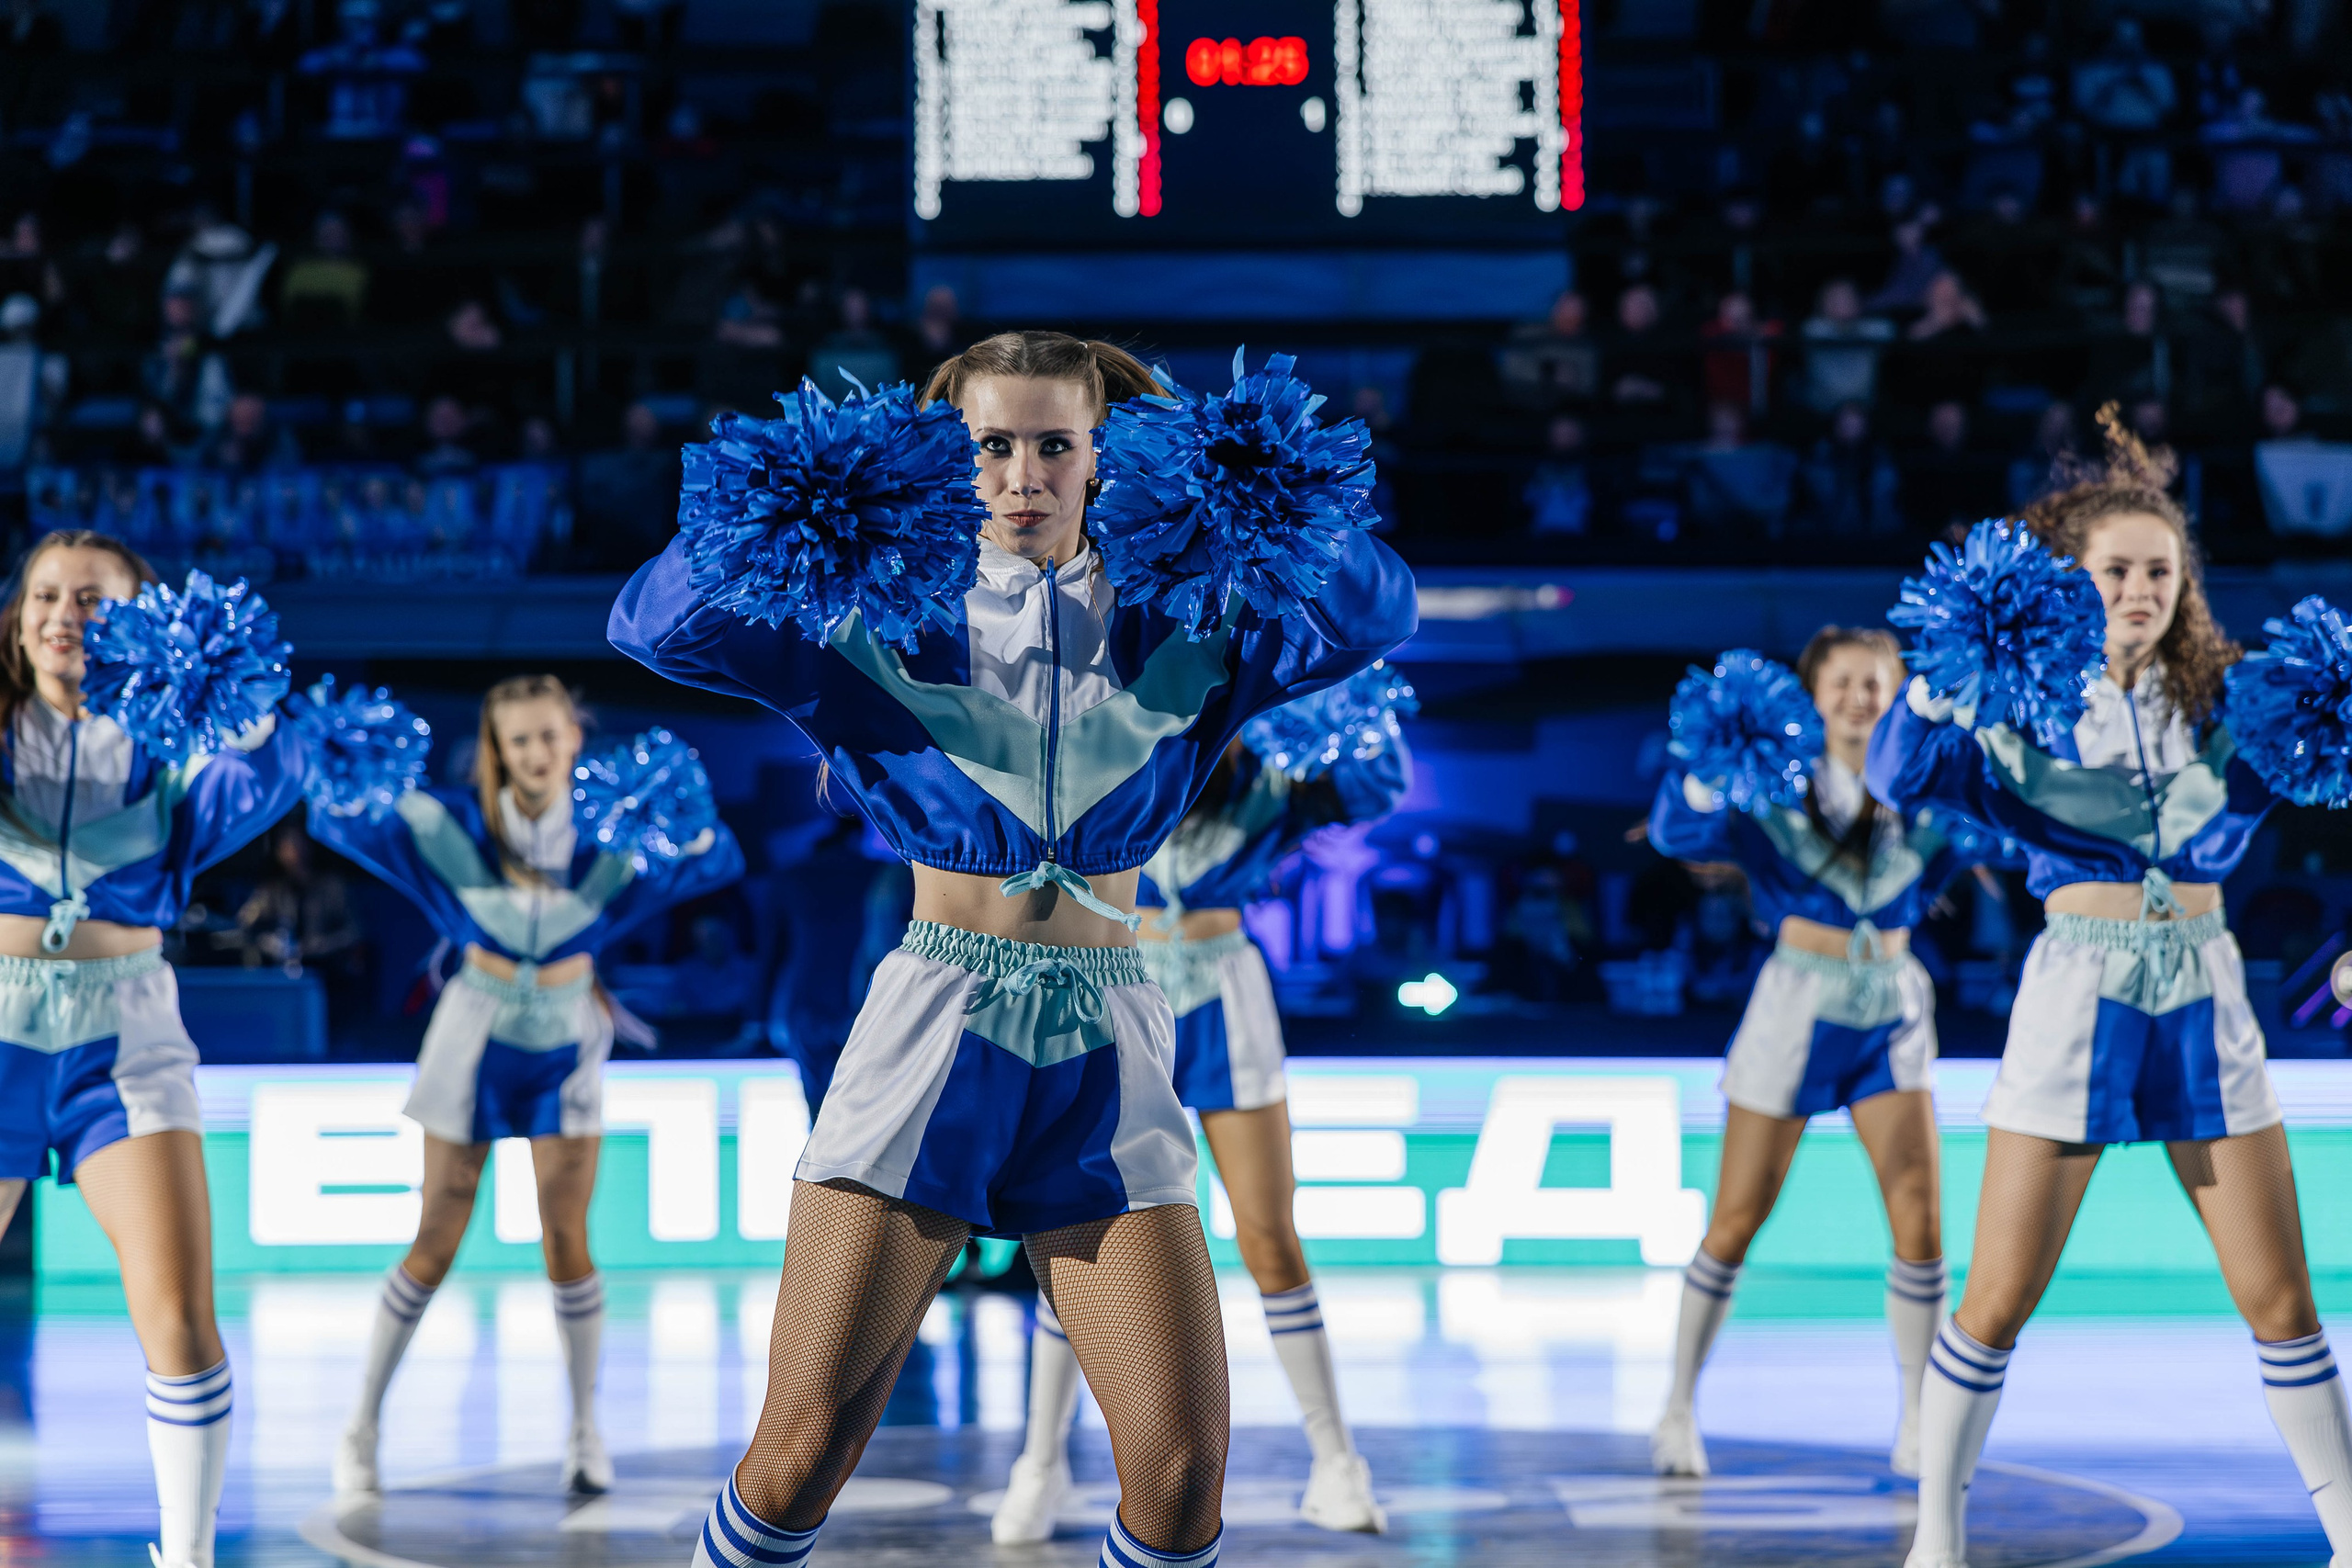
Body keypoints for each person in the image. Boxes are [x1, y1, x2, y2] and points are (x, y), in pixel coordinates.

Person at [610, 330, 1417, 1568]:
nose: (1023, 473)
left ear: (1106, 456)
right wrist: (790, 492)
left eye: (1057, 443)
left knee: (1186, 1471)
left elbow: (1376, 609)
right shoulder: (875, 612)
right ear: (949, 453)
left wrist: (1242, 473)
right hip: (937, 1021)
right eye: (991, 444)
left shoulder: (1192, 614)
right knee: (801, 1447)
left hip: (1113, 1026)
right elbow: (652, 623)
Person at [1870, 415, 2352, 1568]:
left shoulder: (2240, 705)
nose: (2138, 588)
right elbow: (1898, 773)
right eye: (2115, 570)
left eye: (2159, 571)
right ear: (2067, 581)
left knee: (2279, 1296)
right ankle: (1934, 1541)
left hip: (2207, 989)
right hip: (2075, 992)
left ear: (2185, 585)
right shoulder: (2014, 711)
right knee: (1995, 1300)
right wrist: (1940, 682)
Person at [312, 675, 743, 1499]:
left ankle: (585, 1430)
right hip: (473, 1030)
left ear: (576, 738)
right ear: (495, 750)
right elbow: (344, 815)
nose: (535, 754)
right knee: (436, 1237)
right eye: (517, 741)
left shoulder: (621, 828)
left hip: (568, 1036)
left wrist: (693, 834)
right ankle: (360, 1426)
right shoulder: (452, 823)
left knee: (565, 1241)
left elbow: (716, 854)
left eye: (548, 735)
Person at [990, 724, 1413, 1543]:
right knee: (1076, 1229)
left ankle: (1336, 1462)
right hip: (1114, 979)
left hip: (1223, 988)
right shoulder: (1110, 744)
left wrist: (1348, 701)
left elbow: (1376, 783)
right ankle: (1040, 1463)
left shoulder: (1275, 779)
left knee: (1267, 1234)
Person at [0, 529, 307, 1568]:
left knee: (177, 1316)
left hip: (123, 1027)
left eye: (91, 599)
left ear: (141, 623)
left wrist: (249, 710)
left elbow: (269, 769)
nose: (61, 615)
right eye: (44, 594)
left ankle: (188, 1557)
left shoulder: (179, 753)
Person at [1647, 627, 1969, 1482]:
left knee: (1921, 1223)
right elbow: (1681, 833)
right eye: (1845, 683)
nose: (1862, 698)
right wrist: (1706, 767)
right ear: (1813, 693)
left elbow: (2000, 833)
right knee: (1737, 1219)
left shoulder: (1932, 786)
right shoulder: (1775, 784)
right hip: (1796, 1001)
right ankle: (1677, 1407)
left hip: (1893, 1003)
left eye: (1878, 684)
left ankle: (1917, 1420)